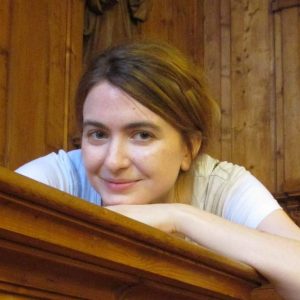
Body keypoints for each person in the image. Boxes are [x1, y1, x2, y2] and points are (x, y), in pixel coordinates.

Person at [16, 41, 300, 299]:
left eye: (142, 135)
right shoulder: (65, 172)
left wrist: (179, 216)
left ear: (189, 148)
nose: (114, 161)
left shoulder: (220, 184)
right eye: (98, 134)